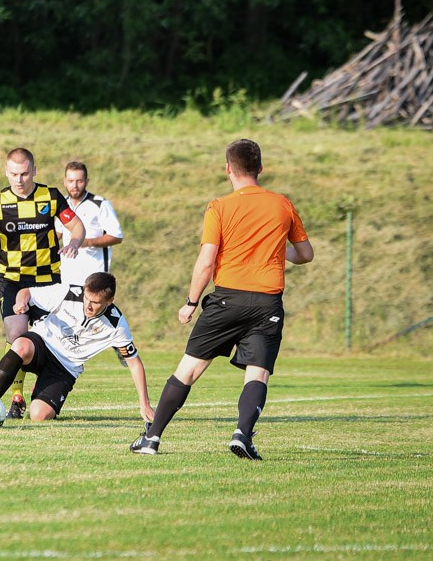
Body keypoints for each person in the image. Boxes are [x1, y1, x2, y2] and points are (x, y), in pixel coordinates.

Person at [130, 139, 313, 459]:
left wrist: (191, 302)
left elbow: (206, 261)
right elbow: (306, 254)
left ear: (228, 168)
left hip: (227, 300)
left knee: (188, 371)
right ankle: (242, 433)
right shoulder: (282, 204)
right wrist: (274, 249)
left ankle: (152, 438)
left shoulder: (220, 207)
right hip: (267, 302)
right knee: (258, 372)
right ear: (260, 168)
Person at [0, 148, 85, 419]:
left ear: (34, 171)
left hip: (47, 281)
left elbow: (77, 226)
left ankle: (45, 389)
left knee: (52, 339)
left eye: (25, 173)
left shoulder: (50, 197)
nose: (19, 179)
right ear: (7, 172)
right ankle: (16, 397)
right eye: (14, 174)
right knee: (16, 336)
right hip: (12, 280)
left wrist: (74, 242)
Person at [0, 272, 154, 422]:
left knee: (39, 415)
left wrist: (145, 404)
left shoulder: (116, 325)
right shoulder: (68, 293)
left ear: (110, 301)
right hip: (43, 343)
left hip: (65, 367)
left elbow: (134, 364)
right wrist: (21, 302)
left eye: (95, 302)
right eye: (87, 298)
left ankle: (42, 389)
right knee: (21, 346)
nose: (88, 305)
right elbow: (26, 292)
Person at [57, 161, 123, 285]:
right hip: (67, 274)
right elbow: (57, 233)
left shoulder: (100, 204)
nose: (74, 186)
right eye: (70, 181)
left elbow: (117, 236)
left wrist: (88, 242)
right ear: (65, 181)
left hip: (94, 273)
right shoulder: (62, 203)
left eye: (79, 181)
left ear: (86, 182)